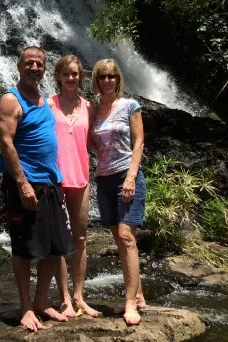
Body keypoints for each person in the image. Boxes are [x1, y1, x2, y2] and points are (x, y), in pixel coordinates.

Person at [0, 46, 74, 332]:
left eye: (39, 64)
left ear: (44, 68)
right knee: (24, 247)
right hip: (26, 184)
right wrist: (22, 183)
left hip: (50, 183)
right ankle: (26, 307)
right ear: (19, 66)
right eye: (29, 63)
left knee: (55, 246)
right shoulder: (10, 99)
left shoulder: (43, 100)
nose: (34, 68)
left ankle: (42, 301)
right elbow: (6, 143)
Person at [91, 59, 147, 325]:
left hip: (127, 176)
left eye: (112, 76)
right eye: (102, 76)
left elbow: (139, 142)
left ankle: (130, 304)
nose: (107, 81)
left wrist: (132, 178)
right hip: (104, 179)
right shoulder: (92, 109)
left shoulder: (129, 106)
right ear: (97, 80)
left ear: (118, 79)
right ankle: (139, 295)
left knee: (126, 237)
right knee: (120, 239)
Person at [48, 55, 100, 319]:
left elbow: (95, 140)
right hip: (55, 180)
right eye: (66, 74)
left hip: (80, 177)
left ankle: (79, 296)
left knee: (80, 239)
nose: (70, 78)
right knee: (59, 241)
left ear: (81, 77)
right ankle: (64, 299)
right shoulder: (48, 105)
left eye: (75, 74)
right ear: (58, 76)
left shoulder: (89, 106)